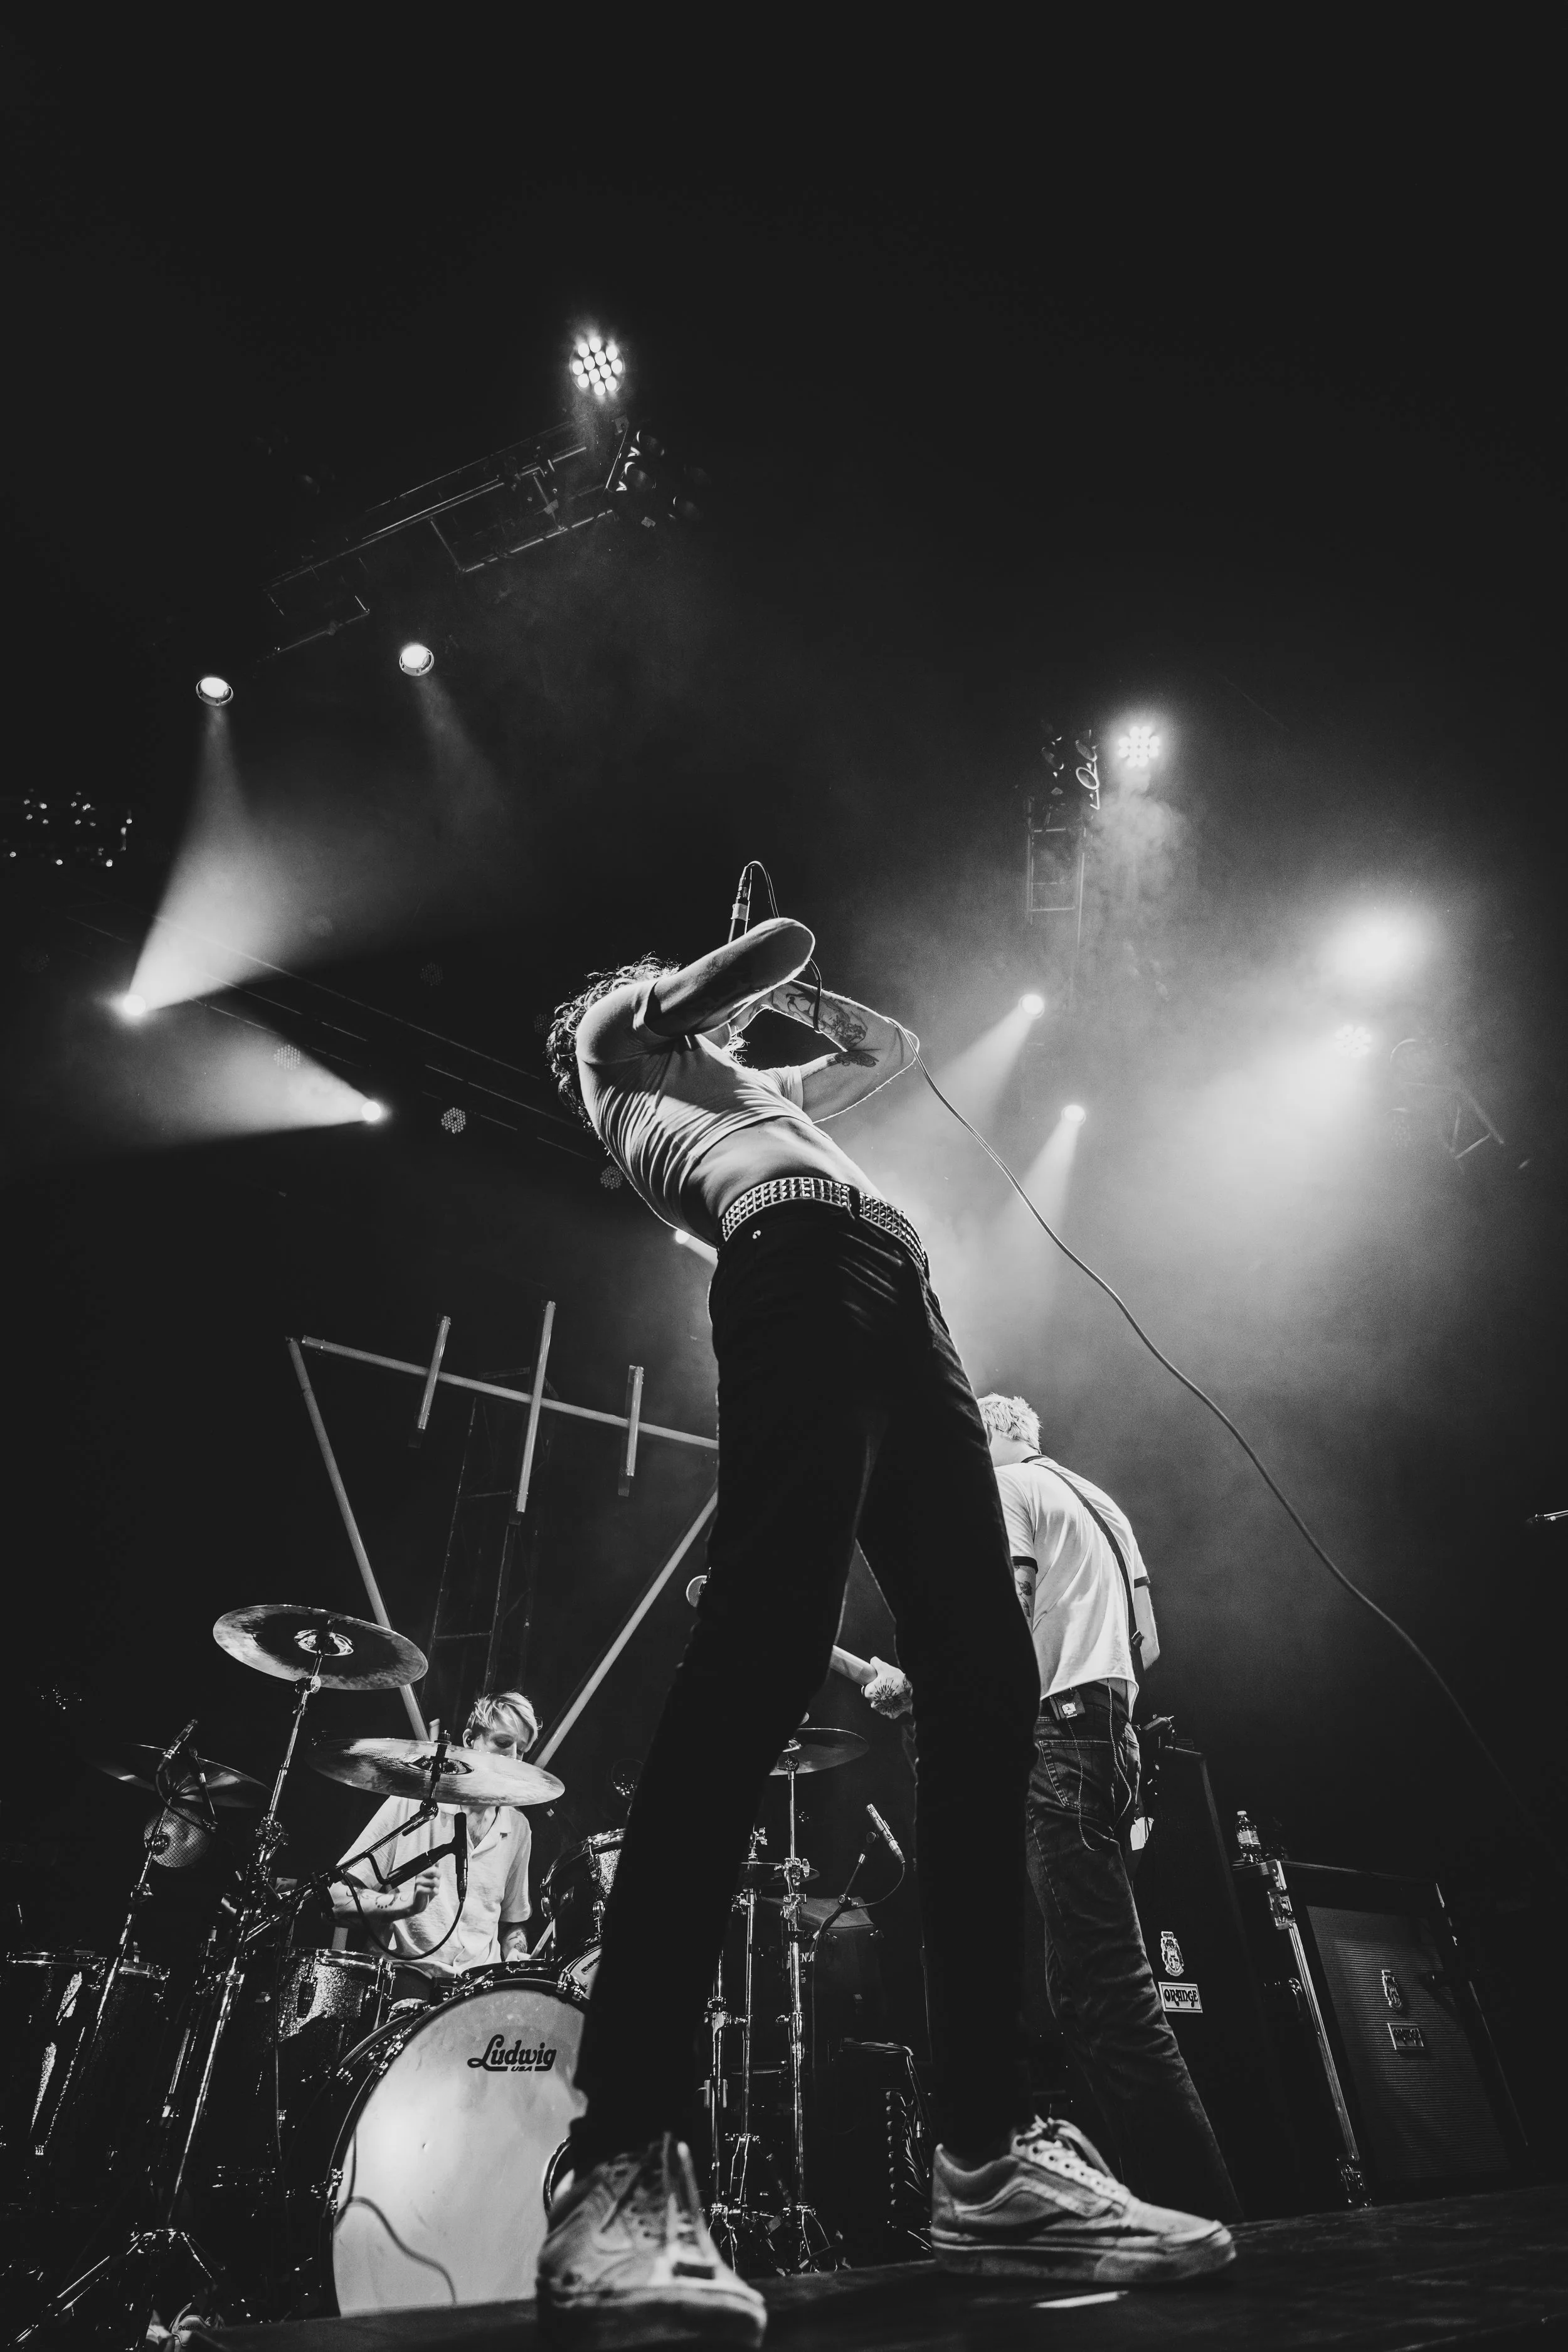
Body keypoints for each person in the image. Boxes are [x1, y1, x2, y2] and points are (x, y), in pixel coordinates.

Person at [534, 914, 1233, 2348]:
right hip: (802, 1272)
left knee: (988, 1680)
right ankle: (620, 2152)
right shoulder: (622, 1060)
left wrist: (790, 1012)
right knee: (763, 1659)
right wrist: (740, 969)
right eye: (673, 1015)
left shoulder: (749, 1092)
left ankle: (985, 2151)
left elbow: (885, 1053)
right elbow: (704, 982)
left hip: (906, 1299)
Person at [976, 1393, 1241, 2225]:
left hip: (1058, 1740)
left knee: (1111, 1997)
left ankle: (1201, 2214)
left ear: (995, 1432)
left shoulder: (1006, 1487)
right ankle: (1149, 2207)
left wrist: (948, 1701)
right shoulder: (1100, 1502)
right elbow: (1148, 1642)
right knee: (1087, 2000)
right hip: (1112, 1740)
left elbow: (1005, 1623)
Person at [331, 1689, 539, 1986]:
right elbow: (338, 1899)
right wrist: (405, 1904)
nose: (514, 1759)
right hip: (403, 1986)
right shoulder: (412, 1805)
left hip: (475, 1996)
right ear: (470, 1740)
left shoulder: (518, 1828)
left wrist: (515, 1949)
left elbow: (513, 1923)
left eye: (522, 1751)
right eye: (503, 1743)